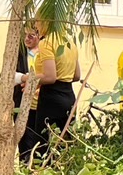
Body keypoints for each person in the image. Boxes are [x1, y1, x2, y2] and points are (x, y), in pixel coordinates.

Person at [18, 23, 78, 161]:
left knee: (43, 146)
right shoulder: (69, 41)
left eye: (38, 22)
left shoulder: (46, 43)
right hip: (69, 95)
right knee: (65, 147)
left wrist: (30, 80)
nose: (37, 26)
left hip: (51, 98)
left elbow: (50, 77)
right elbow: (76, 75)